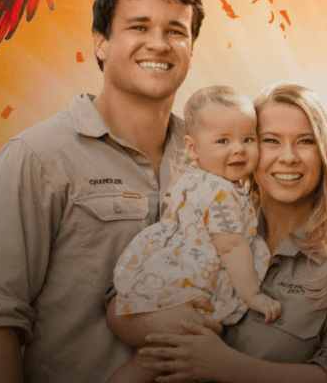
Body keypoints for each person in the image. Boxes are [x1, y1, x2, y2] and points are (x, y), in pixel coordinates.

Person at [0, 0, 205, 383]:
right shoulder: (36, 158)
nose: (159, 44)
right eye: (139, 27)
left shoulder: (208, 162)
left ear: (191, 47)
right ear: (101, 43)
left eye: (175, 31)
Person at [106, 83, 327, 383]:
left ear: (326, 153)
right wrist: (163, 322)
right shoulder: (206, 213)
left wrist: (225, 366)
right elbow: (116, 308)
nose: (288, 157)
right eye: (270, 140)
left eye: (305, 141)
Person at [109, 85, 281, 383]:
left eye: (248, 139)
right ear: (192, 147)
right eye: (223, 141)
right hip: (192, 283)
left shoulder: (191, 178)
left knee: (153, 357)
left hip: (166, 275)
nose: (238, 149)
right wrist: (251, 294)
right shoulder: (221, 193)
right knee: (178, 353)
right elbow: (231, 246)